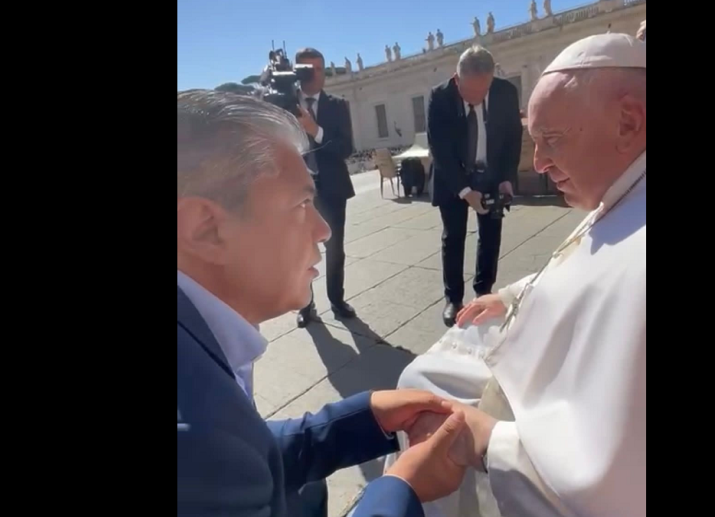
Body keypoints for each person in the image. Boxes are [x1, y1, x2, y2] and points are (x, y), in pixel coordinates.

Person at [384, 33, 647, 517]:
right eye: (537, 140)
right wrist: (510, 294)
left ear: (628, 121)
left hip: (542, 436)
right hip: (541, 351)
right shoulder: (624, 189)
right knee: (419, 378)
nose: (540, 162)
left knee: (423, 398)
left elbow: (613, 474)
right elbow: (580, 264)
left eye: (553, 140)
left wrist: (491, 442)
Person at [177, 90, 471, 517]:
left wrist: (364, 418)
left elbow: (242, 451)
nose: (323, 230)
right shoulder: (191, 434)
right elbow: (214, 454)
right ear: (205, 229)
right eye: (302, 204)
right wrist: (402, 489)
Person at [427, 45, 523, 327]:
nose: (477, 98)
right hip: (453, 177)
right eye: (470, 92)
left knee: (491, 235)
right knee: (453, 237)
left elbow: (512, 139)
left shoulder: (506, 92)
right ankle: (453, 299)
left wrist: (507, 178)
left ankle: (483, 293)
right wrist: (465, 191)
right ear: (456, 79)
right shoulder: (439, 97)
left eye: (484, 91)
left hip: (491, 174)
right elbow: (439, 150)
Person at [291, 47, 357, 328]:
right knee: (301, 250)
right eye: (309, 69)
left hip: (332, 187)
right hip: (296, 192)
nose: (317, 74)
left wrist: (315, 130)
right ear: (297, 71)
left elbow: (346, 148)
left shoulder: (337, 105)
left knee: (335, 248)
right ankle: (305, 305)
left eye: (320, 68)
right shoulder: (284, 104)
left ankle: (337, 300)